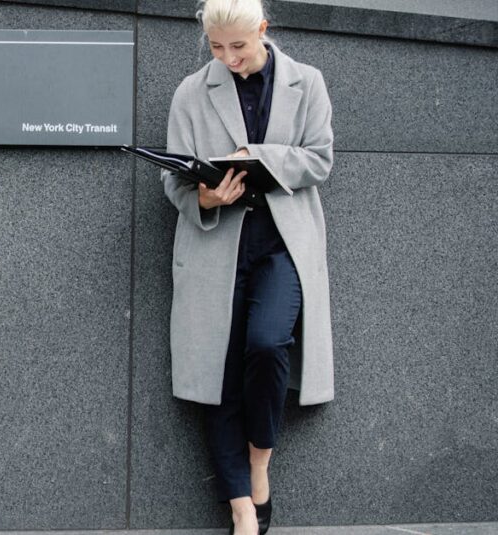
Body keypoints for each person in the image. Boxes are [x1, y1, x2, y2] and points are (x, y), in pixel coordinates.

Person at [160, 0, 335, 533]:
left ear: (263, 29)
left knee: (266, 344)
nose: (228, 58)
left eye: (238, 45)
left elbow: (320, 158)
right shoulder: (192, 91)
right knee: (219, 370)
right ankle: (241, 507)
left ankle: (260, 457)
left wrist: (260, 158)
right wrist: (208, 199)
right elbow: (173, 180)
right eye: (217, 48)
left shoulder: (307, 82)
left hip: (283, 245)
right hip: (215, 248)